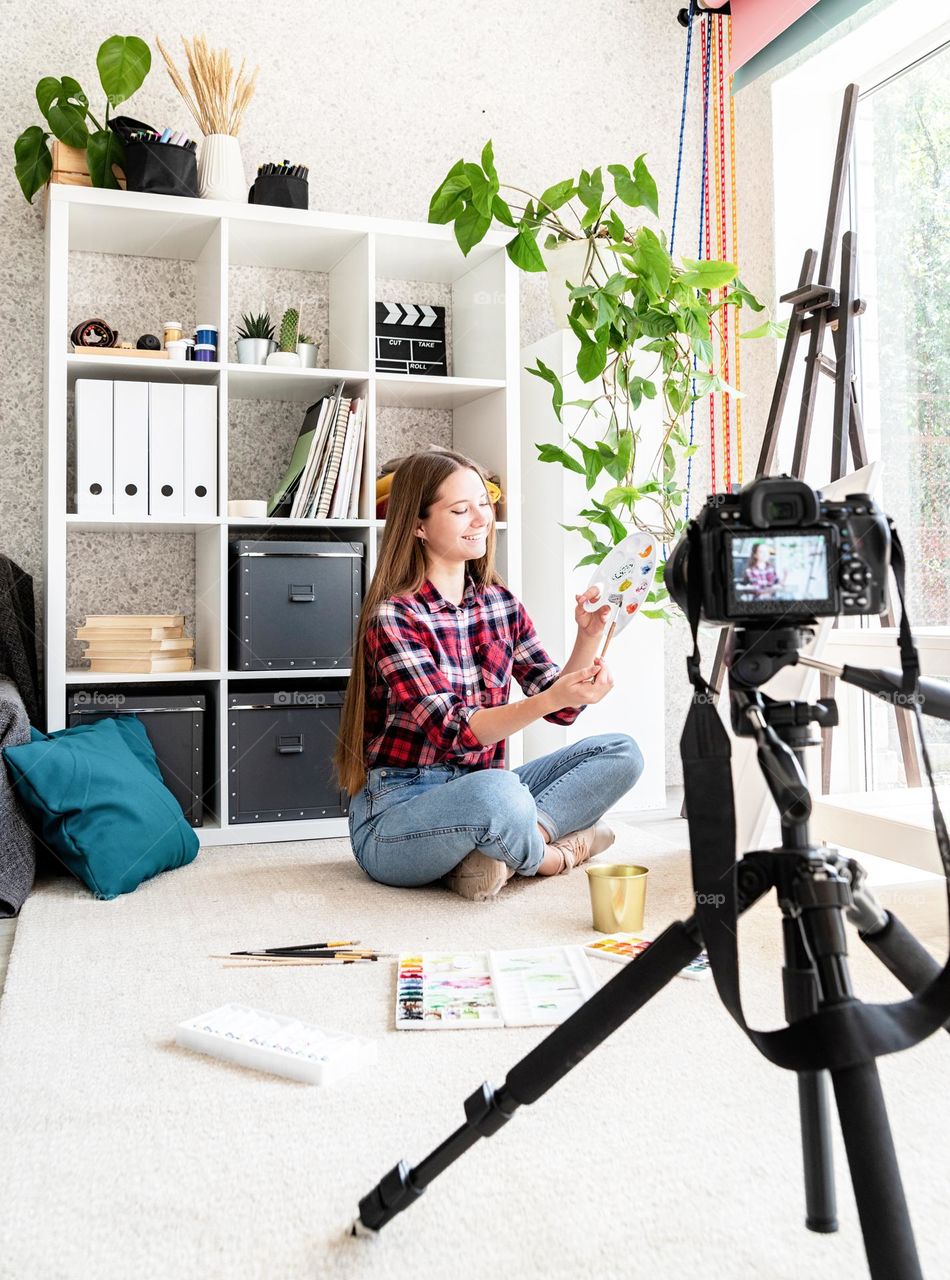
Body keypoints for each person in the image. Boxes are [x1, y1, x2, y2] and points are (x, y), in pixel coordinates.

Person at [333, 449, 644, 901]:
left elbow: (561, 706)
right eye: (460, 510)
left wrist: (588, 638)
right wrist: (548, 701)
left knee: (622, 752)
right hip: (397, 812)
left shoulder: (499, 602)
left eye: (484, 502)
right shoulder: (394, 617)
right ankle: (551, 855)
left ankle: (494, 850)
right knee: (498, 794)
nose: (480, 518)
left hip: (482, 787)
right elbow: (454, 732)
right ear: (417, 526)